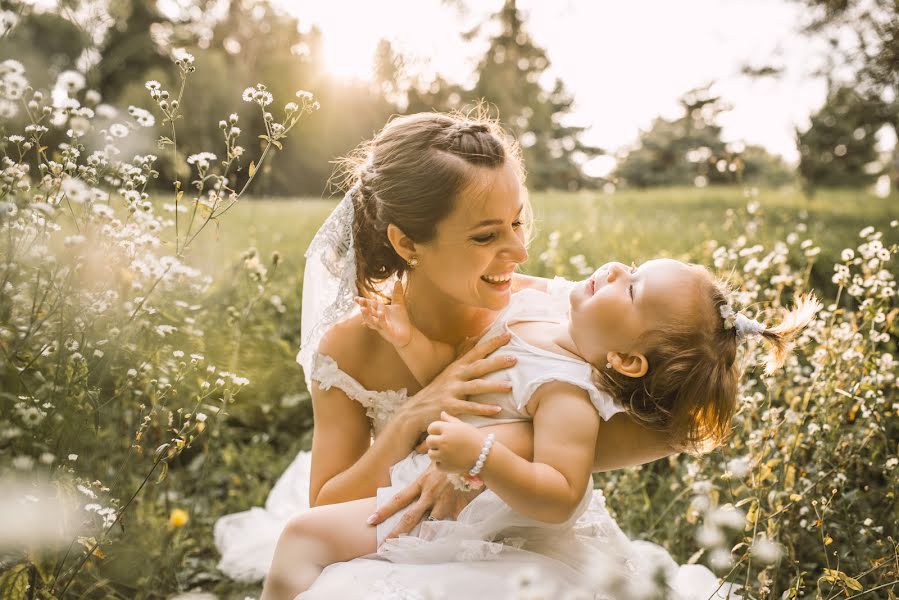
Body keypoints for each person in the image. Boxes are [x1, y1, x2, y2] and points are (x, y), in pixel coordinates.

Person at [213, 112, 702, 597]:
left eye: (517, 223)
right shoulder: (349, 348)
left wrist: (502, 449)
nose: (519, 253)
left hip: (532, 541)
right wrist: (411, 417)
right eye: (486, 236)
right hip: (399, 532)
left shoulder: (555, 311)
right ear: (407, 243)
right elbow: (325, 503)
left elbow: (685, 421)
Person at [270, 251, 817, 599]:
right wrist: (408, 340)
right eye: (635, 266)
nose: (616, 271)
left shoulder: (567, 394)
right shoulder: (544, 307)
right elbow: (455, 380)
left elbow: (561, 492)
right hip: (433, 465)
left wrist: (483, 456)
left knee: (302, 535)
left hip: (466, 502)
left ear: (626, 362)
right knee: (304, 536)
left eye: (631, 290)